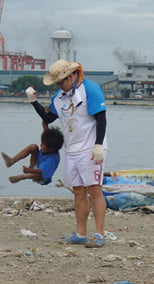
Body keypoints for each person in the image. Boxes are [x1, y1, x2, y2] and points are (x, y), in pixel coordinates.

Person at [25, 59, 108, 248]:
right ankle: (81, 233)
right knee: (78, 190)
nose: (59, 86)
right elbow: (49, 117)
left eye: (61, 82)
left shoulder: (90, 89)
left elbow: (101, 119)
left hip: (90, 148)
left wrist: (98, 145)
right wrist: (34, 101)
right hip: (72, 150)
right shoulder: (59, 97)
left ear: (71, 76)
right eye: (56, 83)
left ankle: (99, 234)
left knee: (94, 189)